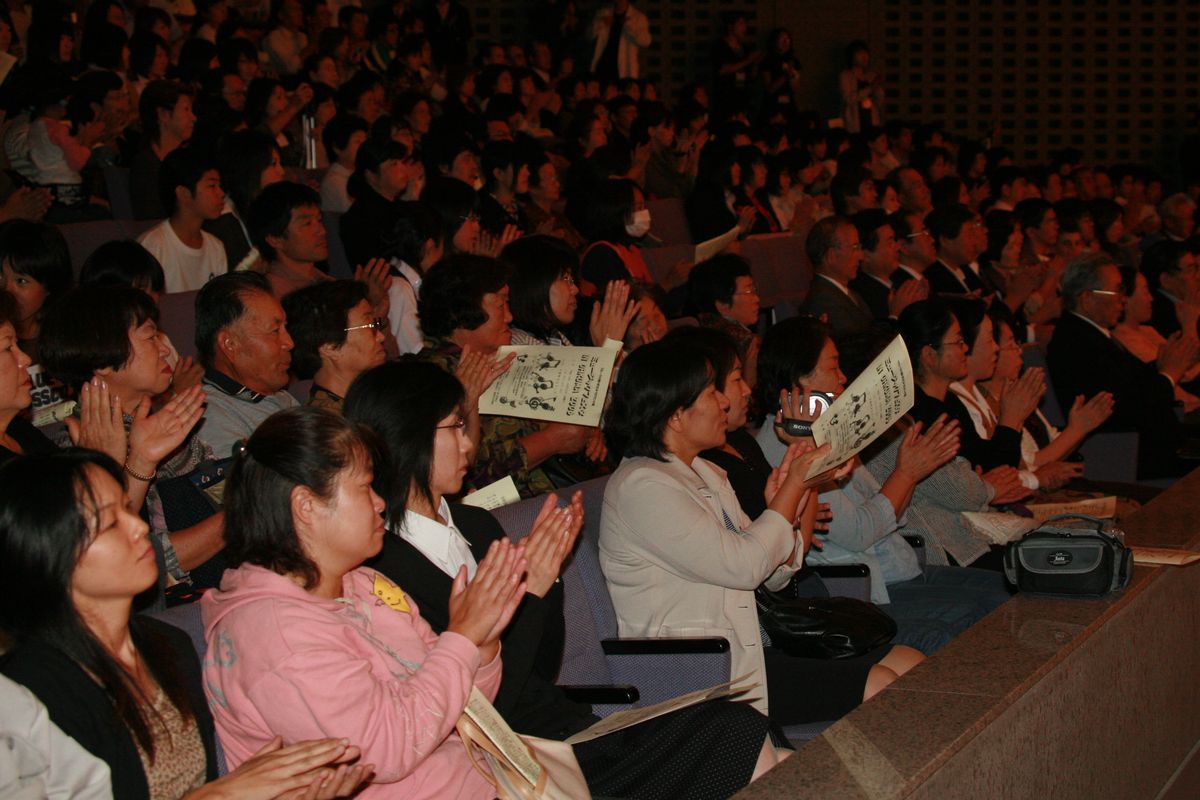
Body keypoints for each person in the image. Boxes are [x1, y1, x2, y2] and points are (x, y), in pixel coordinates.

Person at [345, 358, 783, 795]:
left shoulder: (475, 525)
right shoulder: (383, 566)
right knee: (736, 735)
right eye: (455, 427)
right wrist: (531, 589)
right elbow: (482, 705)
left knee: (748, 735)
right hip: (510, 757)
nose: (468, 444)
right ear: (410, 435)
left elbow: (544, 663)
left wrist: (546, 581)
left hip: (568, 729)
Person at [0, 449, 373, 800]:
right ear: (48, 550)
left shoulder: (167, 644)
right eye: (111, 522)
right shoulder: (33, 692)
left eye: (129, 509)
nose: (137, 527)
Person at [201, 406, 525, 799]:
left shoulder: (362, 582)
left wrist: (482, 645)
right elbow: (386, 751)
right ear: (306, 506)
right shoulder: (274, 636)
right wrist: (461, 639)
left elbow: (452, 707)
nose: (380, 503)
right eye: (364, 488)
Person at [601, 337, 926, 722]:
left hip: (749, 644)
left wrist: (790, 499)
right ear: (675, 415)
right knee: (881, 686)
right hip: (702, 669)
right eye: (710, 393)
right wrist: (792, 489)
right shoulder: (642, 486)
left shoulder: (704, 470)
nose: (723, 401)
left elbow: (774, 576)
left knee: (912, 663)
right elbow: (746, 567)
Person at [418, 254, 599, 497]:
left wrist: (585, 433)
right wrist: (552, 440)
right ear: (467, 309)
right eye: (501, 305)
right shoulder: (429, 378)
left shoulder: (510, 357)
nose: (510, 317)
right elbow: (468, 472)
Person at [1046, 252, 1197, 480]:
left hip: (1154, 445)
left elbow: (1129, 383)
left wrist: (1162, 365)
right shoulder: (1077, 342)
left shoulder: (1091, 335)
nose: (1123, 299)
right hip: (1131, 453)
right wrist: (1167, 375)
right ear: (1087, 299)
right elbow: (1124, 406)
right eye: (1117, 291)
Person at [194, 272, 298, 459]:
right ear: (230, 344)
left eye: (285, 328)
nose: (288, 342)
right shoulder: (209, 418)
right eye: (275, 331)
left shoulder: (280, 397)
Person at [282, 280, 387, 412]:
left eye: (376, 324)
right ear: (330, 346)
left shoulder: (365, 402)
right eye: (370, 327)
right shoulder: (331, 425)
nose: (381, 337)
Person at [137, 146, 229, 294]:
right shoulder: (154, 245)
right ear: (183, 193)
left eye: (220, 186)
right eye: (212, 186)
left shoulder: (215, 247)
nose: (221, 193)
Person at [206, 130, 285, 272]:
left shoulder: (264, 209)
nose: (281, 171)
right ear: (251, 168)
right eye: (273, 164)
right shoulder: (223, 222)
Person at [686, 253, 761, 388]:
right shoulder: (742, 341)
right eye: (748, 292)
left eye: (754, 290)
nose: (756, 299)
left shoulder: (700, 329)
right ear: (722, 305)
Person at [798, 215, 875, 338]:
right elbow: (858, 347)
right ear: (831, 256)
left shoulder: (848, 292)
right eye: (855, 248)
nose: (861, 256)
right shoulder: (824, 302)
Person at [130, 81, 196, 220]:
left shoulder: (190, 158)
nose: (193, 118)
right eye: (186, 110)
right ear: (163, 115)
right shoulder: (146, 166)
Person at [587, 0, 651, 83]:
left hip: (624, 67)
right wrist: (601, 23)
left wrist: (628, 26)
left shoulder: (638, 17)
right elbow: (589, 36)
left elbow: (646, 41)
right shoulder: (604, 13)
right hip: (603, 64)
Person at [320, 113, 369, 213]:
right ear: (337, 148)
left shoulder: (363, 174)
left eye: (366, 141)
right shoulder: (335, 182)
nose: (365, 147)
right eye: (358, 142)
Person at [839, 41, 883, 133]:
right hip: (855, 123)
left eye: (866, 53)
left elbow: (879, 100)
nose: (864, 56)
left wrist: (878, 88)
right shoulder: (846, 76)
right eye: (860, 53)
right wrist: (870, 88)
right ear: (851, 56)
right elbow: (848, 99)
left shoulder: (871, 76)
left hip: (871, 120)